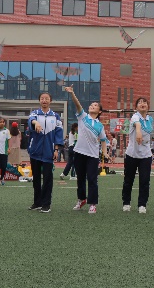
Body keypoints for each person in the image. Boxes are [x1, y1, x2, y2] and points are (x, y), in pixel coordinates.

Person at [66, 86, 107, 214]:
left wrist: (105, 152)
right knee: (80, 179)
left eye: (95, 105)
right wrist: (72, 93)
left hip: (93, 156)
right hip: (79, 153)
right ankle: (81, 199)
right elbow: (77, 104)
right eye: (91, 105)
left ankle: (93, 203)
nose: (92, 106)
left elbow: (103, 140)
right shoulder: (83, 116)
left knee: (92, 180)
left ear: (99, 111)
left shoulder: (100, 126)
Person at [26, 93, 64, 213]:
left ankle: (46, 204)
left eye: (46, 99)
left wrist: (56, 150)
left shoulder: (56, 116)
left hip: (49, 152)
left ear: (50, 101)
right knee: (36, 178)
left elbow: (58, 134)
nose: (44, 100)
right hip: (35, 151)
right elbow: (30, 120)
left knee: (48, 179)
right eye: (42, 98)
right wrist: (36, 123)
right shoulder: (35, 114)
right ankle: (37, 203)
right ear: (39, 101)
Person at [122, 97, 154, 213]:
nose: (142, 104)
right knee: (128, 180)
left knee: (145, 181)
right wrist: (138, 132)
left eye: (144, 102)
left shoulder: (150, 119)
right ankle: (126, 203)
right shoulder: (135, 117)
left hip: (146, 155)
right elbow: (137, 124)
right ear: (136, 107)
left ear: (148, 106)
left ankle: (142, 204)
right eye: (139, 102)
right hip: (132, 154)